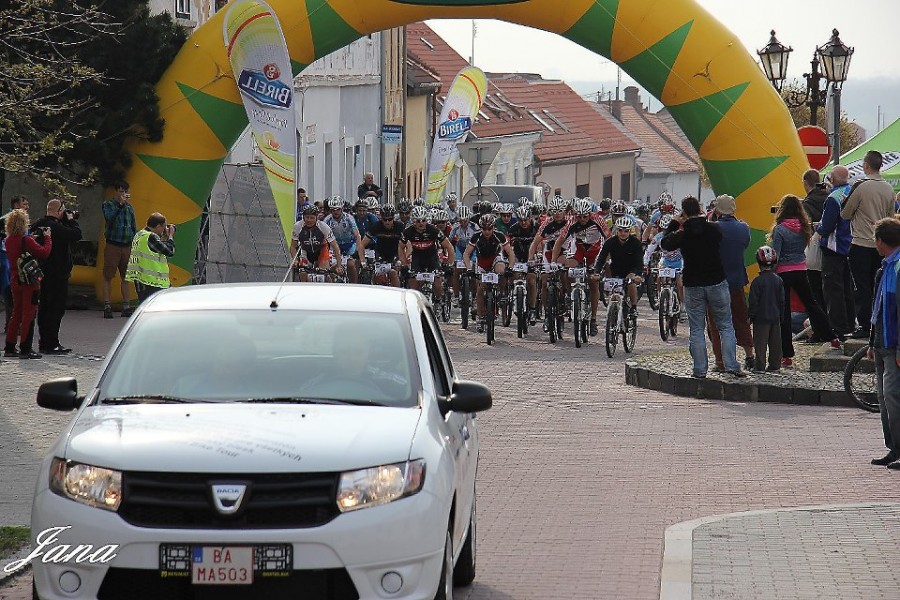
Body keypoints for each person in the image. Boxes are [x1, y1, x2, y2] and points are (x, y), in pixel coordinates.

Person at [661, 196, 745, 378]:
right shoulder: (714, 229)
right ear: (700, 209)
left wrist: (675, 224)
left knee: (697, 328)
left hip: (693, 283)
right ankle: (731, 364)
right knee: (725, 326)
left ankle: (699, 370)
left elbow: (665, 244)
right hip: (716, 281)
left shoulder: (683, 234)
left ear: (683, 212)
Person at [769, 194, 840, 367]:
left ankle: (786, 355)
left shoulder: (779, 229)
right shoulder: (804, 227)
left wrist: (770, 271)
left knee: (784, 313)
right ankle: (832, 337)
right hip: (801, 269)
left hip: (783, 272)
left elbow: (775, 254)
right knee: (812, 304)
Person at [841, 150, 896, 338]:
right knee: (878, 285)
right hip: (882, 244)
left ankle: (864, 325)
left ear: (866, 165)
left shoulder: (861, 187)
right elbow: (890, 217)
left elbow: (845, 213)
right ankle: (877, 322)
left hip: (860, 242)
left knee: (861, 287)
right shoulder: (889, 188)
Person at [705, 195, 754, 371]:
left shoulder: (712, 228)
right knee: (741, 319)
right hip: (737, 280)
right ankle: (749, 355)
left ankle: (721, 361)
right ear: (733, 209)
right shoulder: (743, 228)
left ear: (717, 210)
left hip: (716, 281)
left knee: (716, 323)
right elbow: (745, 244)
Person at [866, 217, 900, 470]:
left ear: (880, 240)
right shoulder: (884, 268)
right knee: (884, 397)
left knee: (893, 396)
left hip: (893, 344)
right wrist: (871, 342)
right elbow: (877, 308)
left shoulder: (897, 268)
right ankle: (893, 447)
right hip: (881, 342)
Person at [32, 199, 82, 353]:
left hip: (42, 272)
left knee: (44, 307)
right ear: (59, 210)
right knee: (55, 309)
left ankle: (44, 342)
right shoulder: (55, 227)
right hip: (57, 274)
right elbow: (76, 234)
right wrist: (71, 221)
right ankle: (51, 343)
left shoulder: (38, 224)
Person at [4, 209, 51, 359]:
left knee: (16, 312)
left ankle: (10, 346)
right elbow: (44, 253)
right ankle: (26, 348)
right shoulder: (27, 240)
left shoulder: (8, 240)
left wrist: (31, 239)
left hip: (15, 280)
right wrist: (48, 238)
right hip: (30, 281)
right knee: (29, 313)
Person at [817, 165, 855, 337]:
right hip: (850, 246)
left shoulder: (834, 198)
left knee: (833, 291)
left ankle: (838, 328)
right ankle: (850, 325)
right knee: (847, 289)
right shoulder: (852, 192)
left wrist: (818, 229)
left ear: (831, 179)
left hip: (833, 248)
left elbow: (827, 227)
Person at [463, 214, 517, 333]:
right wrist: (468, 268)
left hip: (495, 259)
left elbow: (511, 253)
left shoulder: (499, 236)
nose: (487, 231)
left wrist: (511, 267)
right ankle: (481, 317)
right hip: (482, 262)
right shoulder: (476, 236)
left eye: (489, 229)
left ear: (493, 227)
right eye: (484, 229)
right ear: (481, 228)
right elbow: (467, 254)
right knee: (481, 288)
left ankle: (502, 293)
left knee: (501, 270)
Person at [101, 180, 137, 318]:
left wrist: (134, 241)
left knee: (126, 277)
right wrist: (120, 205)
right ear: (116, 192)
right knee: (108, 275)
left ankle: (126, 306)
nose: (123, 194)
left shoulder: (130, 208)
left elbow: (133, 226)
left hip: (126, 246)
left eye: (125, 192)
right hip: (113, 244)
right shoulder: (108, 205)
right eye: (121, 191)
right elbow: (109, 219)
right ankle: (107, 305)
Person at [125, 213, 176, 303]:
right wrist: (170, 236)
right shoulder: (151, 237)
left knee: (145, 306)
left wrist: (163, 237)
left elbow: (156, 249)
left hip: (141, 279)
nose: (164, 230)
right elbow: (169, 251)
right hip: (152, 281)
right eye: (163, 227)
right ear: (158, 226)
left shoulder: (140, 234)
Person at [748, 246, 784, 373]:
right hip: (775, 316)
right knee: (775, 343)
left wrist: (750, 316)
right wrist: (782, 316)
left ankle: (759, 366)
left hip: (761, 318)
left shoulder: (757, 282)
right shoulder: (778, 280)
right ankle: (775, 365)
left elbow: (753, 302)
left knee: (760, 344)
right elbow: (782, 301)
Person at [290, 205, 344, 282]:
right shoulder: (298, 226)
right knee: (302, 273)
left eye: (312, 218)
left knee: (325, 275)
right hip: (306, 252)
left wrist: (339, 266)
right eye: (307, 217)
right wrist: (295, 260)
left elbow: (335, 247)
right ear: (303, 217)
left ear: (317, 217)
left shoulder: (323, 227)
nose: (309, 220)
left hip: (321, 252)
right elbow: (293, 246)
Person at [801, 168, 829, 311]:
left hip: (813, 249)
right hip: (831, 248)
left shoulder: (807, 203)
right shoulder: (830, 197)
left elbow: (806, 228)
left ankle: (820, 324)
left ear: (806, 183)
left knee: (815, 290)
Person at [2, 195, 29, 334]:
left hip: (15, 266)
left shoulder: (23, 224)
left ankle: (12, 325)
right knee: (11, 295)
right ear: (16, 205)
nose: (27, 206)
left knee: (13, 296)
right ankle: (12, 324)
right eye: (24, 204)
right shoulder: (7, 222)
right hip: (9, 265)